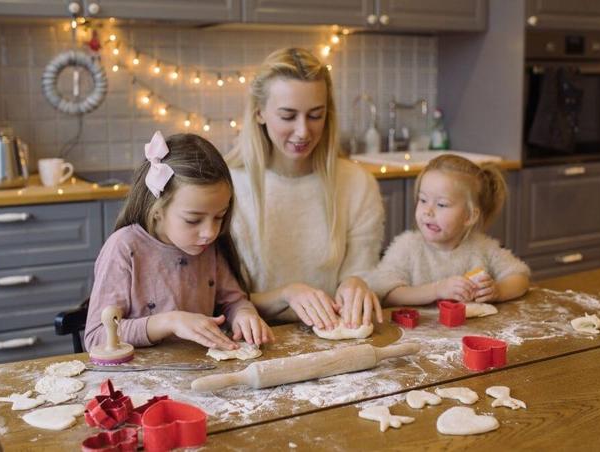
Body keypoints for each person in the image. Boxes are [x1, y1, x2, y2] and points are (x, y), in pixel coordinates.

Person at [226, 47, 384, 331]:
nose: (303, 131)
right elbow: (222, 300)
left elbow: (362, 272)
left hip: (335, 335)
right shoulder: (229, 187)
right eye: (288, 116)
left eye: (315, 115)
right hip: (256, 340)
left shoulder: (358, 184)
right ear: (259, 113)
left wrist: (357, 283)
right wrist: (287, 294)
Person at [84, 131, 273, 352]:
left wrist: (244, 313)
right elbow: (97, 337)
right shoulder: (124, 248)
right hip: (142, 379)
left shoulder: (208, 248)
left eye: (219, 217)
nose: (210, 232)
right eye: (193, 220)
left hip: (199, 372)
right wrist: (170, 322)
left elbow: (233, 301)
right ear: (157, 211)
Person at [366, 154, 530, 306]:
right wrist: (437, 290)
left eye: (442, 204)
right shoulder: (406, 247)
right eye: (423, 200)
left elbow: (520, 278)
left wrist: (498, 291)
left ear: (470, 216)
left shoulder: (483, 248)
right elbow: (386, 293)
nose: (428, 211)